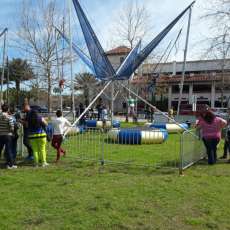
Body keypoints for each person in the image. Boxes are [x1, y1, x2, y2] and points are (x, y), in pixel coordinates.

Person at [0, 104, 17, 169]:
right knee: (9, 150)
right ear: (7, 109)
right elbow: (12, 127)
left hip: (0, 135)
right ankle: (10, 164)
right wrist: (12, 132)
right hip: (8, 135)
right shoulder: (9, 117)